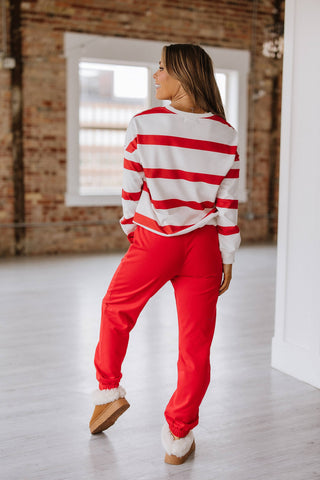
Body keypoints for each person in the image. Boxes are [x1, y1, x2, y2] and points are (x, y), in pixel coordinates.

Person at [89, 43, 240, 465]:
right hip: (205, 247)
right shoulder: (226, 134)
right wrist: (227, 256)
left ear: (184, 74)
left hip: (155, 238)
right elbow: (227, 204)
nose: (156, 76)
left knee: (115, 310)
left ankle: (108, 391)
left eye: (161, 68)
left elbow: (130, 189)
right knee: (196, 345)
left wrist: (130, 229)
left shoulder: (143, 123)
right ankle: (178, 436)